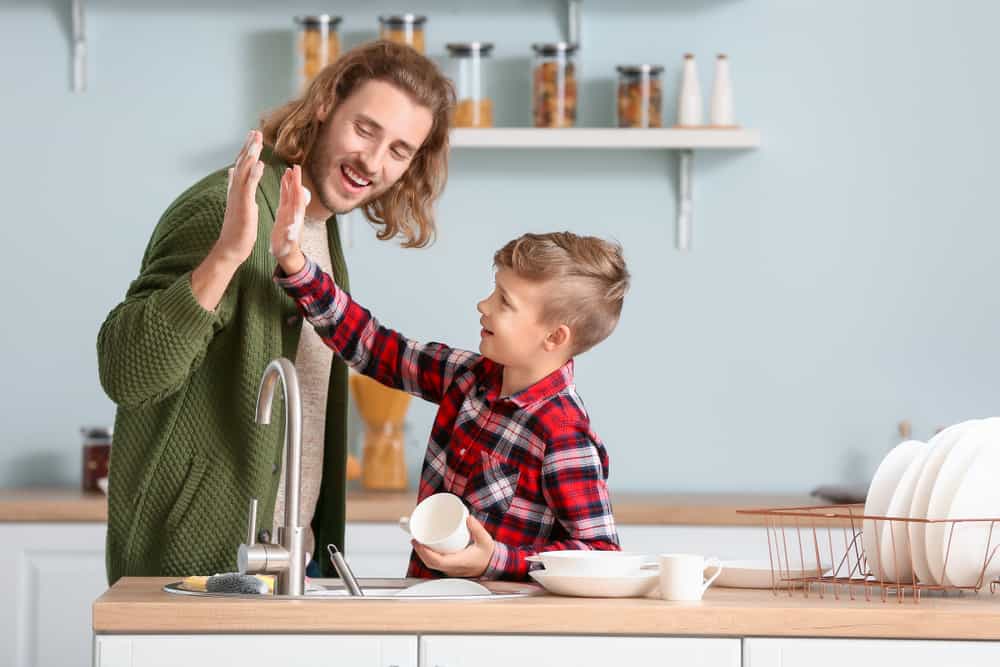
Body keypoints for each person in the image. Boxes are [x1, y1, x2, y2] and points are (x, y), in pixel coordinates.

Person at [97, 41, 455, 584]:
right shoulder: (227, 206)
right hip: (198, 569)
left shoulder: (319, 227)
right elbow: (127, 371)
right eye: (365, 129)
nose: (374, 162)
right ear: (326, 102)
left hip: (294, 560)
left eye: (400, 150)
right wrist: (225, 257)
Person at [262, 165, 630, 580]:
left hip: (498, 630)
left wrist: (498, 560)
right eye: (494, 290)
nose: (484, 305)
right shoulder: (467, 377)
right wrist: (295, 263)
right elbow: (375, 347)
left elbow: (602, 555)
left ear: (554, 337)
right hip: (429, 601)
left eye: (504, 301)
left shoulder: (562, 433)